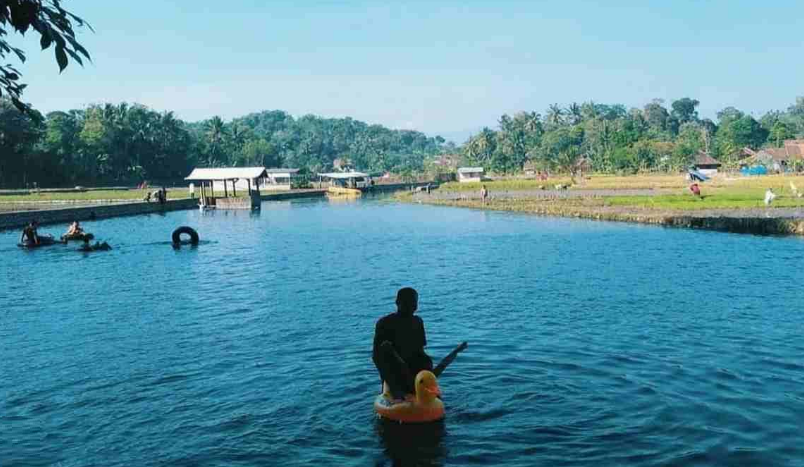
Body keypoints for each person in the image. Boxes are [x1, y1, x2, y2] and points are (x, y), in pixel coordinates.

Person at [373, 287, 433, 400]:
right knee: (389, 357)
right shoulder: (385, 323)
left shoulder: (417, 322)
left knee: (426, 360)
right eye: (408, 303)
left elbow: (420, 351)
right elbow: (376, 357)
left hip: (413, 370)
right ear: (397, 303)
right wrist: (392, 385)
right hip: (394, 372)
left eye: (414, 303)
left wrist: (427, 371)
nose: (413, 307)